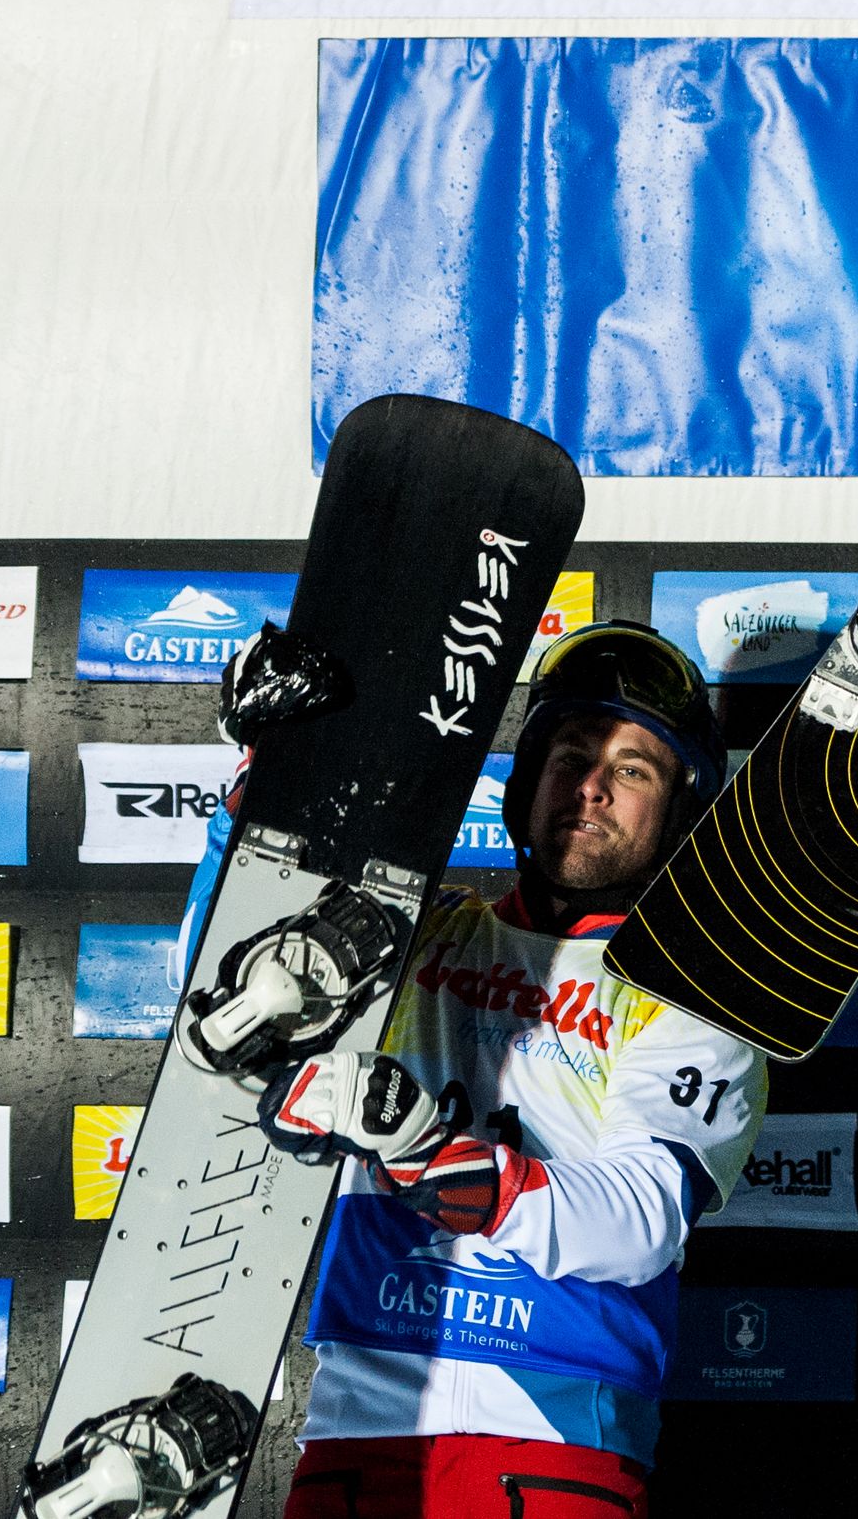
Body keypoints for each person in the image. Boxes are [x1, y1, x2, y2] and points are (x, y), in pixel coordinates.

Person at [178, 623, 766, 1519]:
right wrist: (268, 783)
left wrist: (438, 1156)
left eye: (634, 769)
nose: (593, 787)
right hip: (353, 1433)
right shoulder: (414, 934)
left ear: (679, 809)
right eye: (571, 756)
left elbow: (643, 1222)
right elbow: (225, 990)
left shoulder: (691, 994)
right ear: (527, 782)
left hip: (552, 1448)